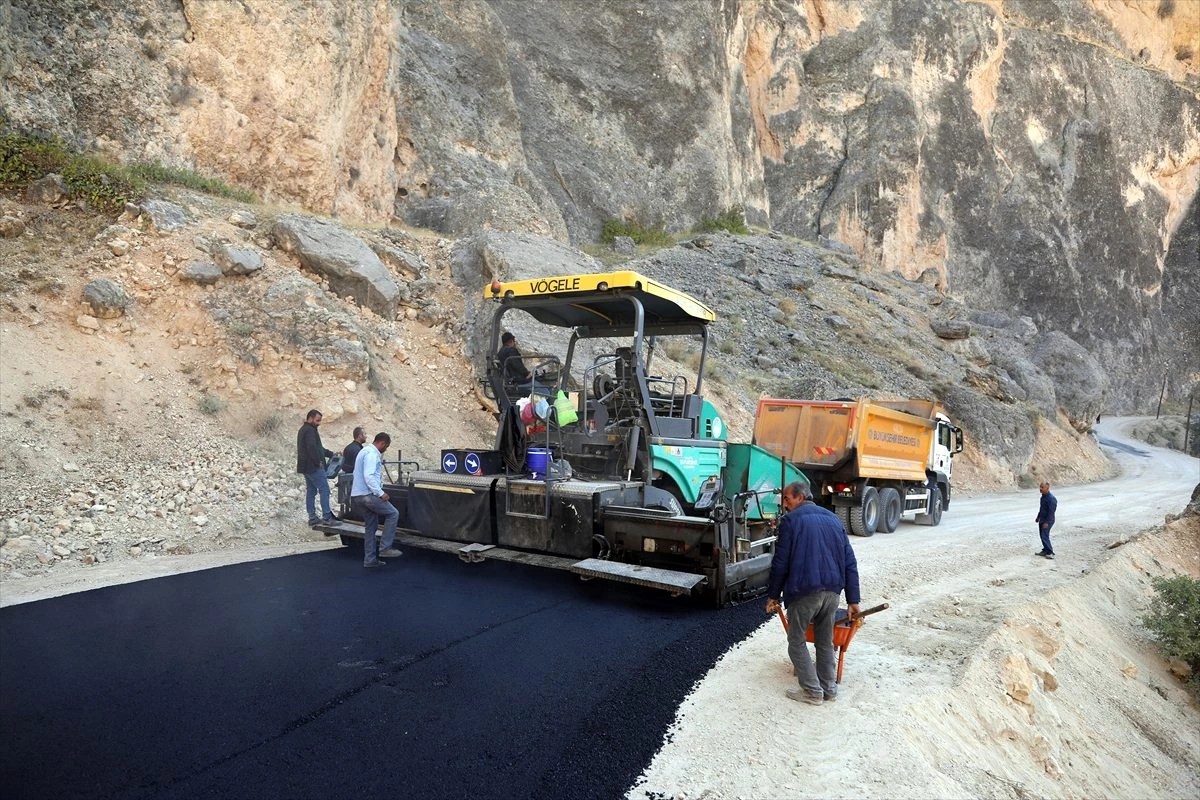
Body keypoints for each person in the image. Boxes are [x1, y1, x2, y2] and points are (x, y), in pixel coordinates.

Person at [765, 481, 861, 705]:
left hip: (805, 590)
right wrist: (853, 599)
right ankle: (829, 689)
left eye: (787, 498)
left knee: (796, 640)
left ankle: (812, 692)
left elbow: (781, 563)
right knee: (825, 641)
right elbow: (850, 561)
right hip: (832, 593)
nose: (784, 503)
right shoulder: (833, 519)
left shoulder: (791, 521)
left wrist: (773, 595)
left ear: (800, 497)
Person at [351, 432, 402, 568]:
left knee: (371, 526)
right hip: (367, 496)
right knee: (393, 513)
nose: (385, 449)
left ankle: (370, 560)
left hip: (357, 495)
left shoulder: (364, 451)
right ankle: (385, 548)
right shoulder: (372, 454)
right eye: (386, 446)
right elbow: (369, 476)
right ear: (382, 443)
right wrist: (380, 493)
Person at [296, 409, 337, 527]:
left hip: (306, 467)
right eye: (317, 420)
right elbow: (312, 448)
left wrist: (331, 454)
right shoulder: (310, 431)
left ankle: (312, 517)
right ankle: (327, 517)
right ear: (310, 418)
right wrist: (317, 462)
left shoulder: (305, 430)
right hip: (313, 467)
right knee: (324, 489)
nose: (319, 423)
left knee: (311, 491)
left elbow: (319, 448)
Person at [1035, 481, 1057, 559]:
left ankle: (1050, 552)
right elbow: (1041, 509)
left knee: (1045, 535)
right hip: (1042, 519)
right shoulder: (1043, 497)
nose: (1040, 489)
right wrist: (1038, 517)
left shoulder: (1051, 499)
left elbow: (1051, 512)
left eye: (1042, 487)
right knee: (1042, 535)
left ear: (1047, 488)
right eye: (1040, 487)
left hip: (1048, 521)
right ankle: (1045, 550)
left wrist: (1047, 522)